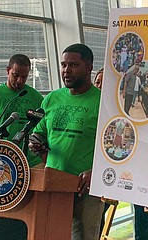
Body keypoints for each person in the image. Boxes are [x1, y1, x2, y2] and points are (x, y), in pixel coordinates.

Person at [28, 43, 104, 240]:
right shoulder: (52, 98)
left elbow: (116, 148)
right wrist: (35, 142)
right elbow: (39, 132)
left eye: (73, 65)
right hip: (53, 184)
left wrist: (95, 171)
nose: (66, 70)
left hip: (85, 190)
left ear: (89, 67)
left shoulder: (103, 102)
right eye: (63, 65)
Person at [0, 53, 44, 167]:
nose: (20, 80)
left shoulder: (36, 97)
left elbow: (43, 128)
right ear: (8, 71)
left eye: (24, 77)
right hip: (3, 160)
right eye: (15, 75)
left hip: (32, 162)